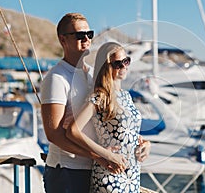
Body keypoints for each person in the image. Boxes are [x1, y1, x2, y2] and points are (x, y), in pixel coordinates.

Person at [40, 13, 126, 193]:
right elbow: (54, 134)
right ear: (63, 39)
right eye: (80, 35)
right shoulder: (56, 78)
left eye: (90, 34)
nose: (86, 39)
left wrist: (142, 142)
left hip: (95, 170)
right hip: (67, 171)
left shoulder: (94, 74)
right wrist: (99, 156)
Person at [66, 42, 150, 192]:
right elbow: (73, 131)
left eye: (126, 61)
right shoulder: (100, 97)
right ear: (106, 66)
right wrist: (105, 154)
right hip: (110, 175)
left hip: (132, 175)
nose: (124, 67)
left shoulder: (127, 96)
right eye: (118, 64)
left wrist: (146, 144)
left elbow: (129, 132)